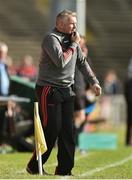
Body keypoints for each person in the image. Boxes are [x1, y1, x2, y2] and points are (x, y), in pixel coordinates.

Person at [26, 10, 102, 176]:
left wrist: (94, 81)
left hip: (68, 89)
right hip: (49, 89)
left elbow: (82, 62)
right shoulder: (50, 38)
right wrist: (75, 45)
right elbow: (60, 62)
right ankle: (34, 166)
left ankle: (64, 170)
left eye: (75, 22)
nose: (75, 26)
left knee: (68, 131)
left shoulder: (73, 38)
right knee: (52, 129)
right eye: (72, 23)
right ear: (59, 23)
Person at [124, 58, 132, 146]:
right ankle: (128, 141)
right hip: (130, 102)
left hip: (129, 101)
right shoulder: (128, 80)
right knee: (129, 121)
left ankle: (128, 140)